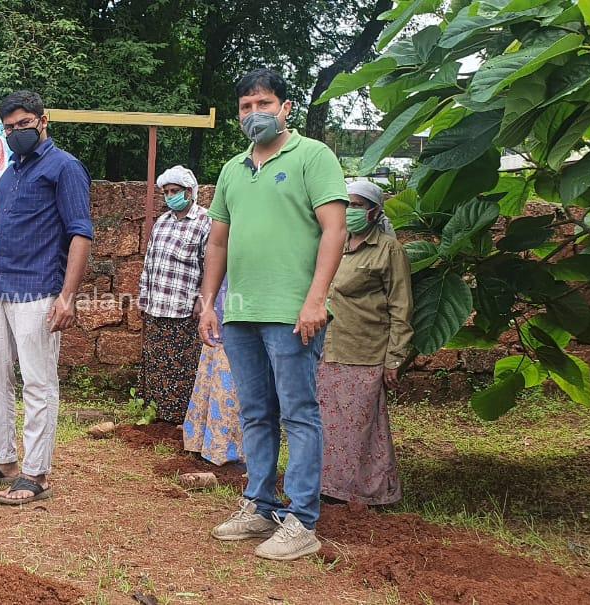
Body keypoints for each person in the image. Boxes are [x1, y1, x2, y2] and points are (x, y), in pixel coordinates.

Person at [198, 68, 347, 560]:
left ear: (286, 107)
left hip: (293, 312)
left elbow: (334, 230)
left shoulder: (313, 156)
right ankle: (259, 505)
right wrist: (208, 303)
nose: (254, 113)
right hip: (241, 312)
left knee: (299, 413)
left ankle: (302, 520)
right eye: (246, 106)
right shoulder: (232, 170)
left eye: (263, 103)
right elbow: (218, 243)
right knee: (255, 413)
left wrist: (316, 299)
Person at [0, 90, 94, 506]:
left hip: (39, 290)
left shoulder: (64, 167)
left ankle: (36, 473)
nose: (16, 132)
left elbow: (80, 234)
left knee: (38, 382)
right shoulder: (8, 176)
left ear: (43, 121)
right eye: (9, 127)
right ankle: (3, 461)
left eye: (23, 124)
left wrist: (67, 297)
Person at [318, 180, 412, 507]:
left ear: (374, 212)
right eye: (346, 205)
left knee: (360, 426)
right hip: (328, 346)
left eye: (357, 205)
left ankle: (366, 493)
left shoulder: (389, 250)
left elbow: (401, 306)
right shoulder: (334, 243)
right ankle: (328, 488)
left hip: (366, 349)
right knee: (328, 424)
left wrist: (395, 358)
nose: (350, 211)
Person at [138, 165, 210, 425]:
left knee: (183, 366)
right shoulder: (162, 222)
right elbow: (149, 262)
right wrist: (143, 298)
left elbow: (210, 265)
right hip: (157, 306)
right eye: (166, 192)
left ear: (189, 192)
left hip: (185, 309)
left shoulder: (205, 221)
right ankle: (158, 416)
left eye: (174, 191)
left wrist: (203, 300)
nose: (170, 196)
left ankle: (183, 419)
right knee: (156, 363)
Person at [181, 279, 243, 465]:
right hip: (223, 308)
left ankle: (221, 450)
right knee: (217, 378)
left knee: (228, 384)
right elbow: (212, 265)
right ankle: (210, 447)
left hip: (239, 312)